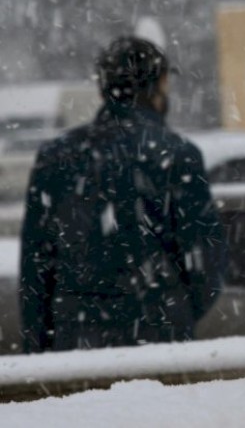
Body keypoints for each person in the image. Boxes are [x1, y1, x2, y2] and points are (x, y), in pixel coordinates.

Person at [19, 36, 227, 353]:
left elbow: (35, 265)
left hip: (75, 336)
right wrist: (174, 310)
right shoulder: (177, 154)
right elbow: (205, 259)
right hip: (159, 338)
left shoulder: (57, 156)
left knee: (86, 405)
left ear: (105, 88)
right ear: (157, 85)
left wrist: (38, 343)